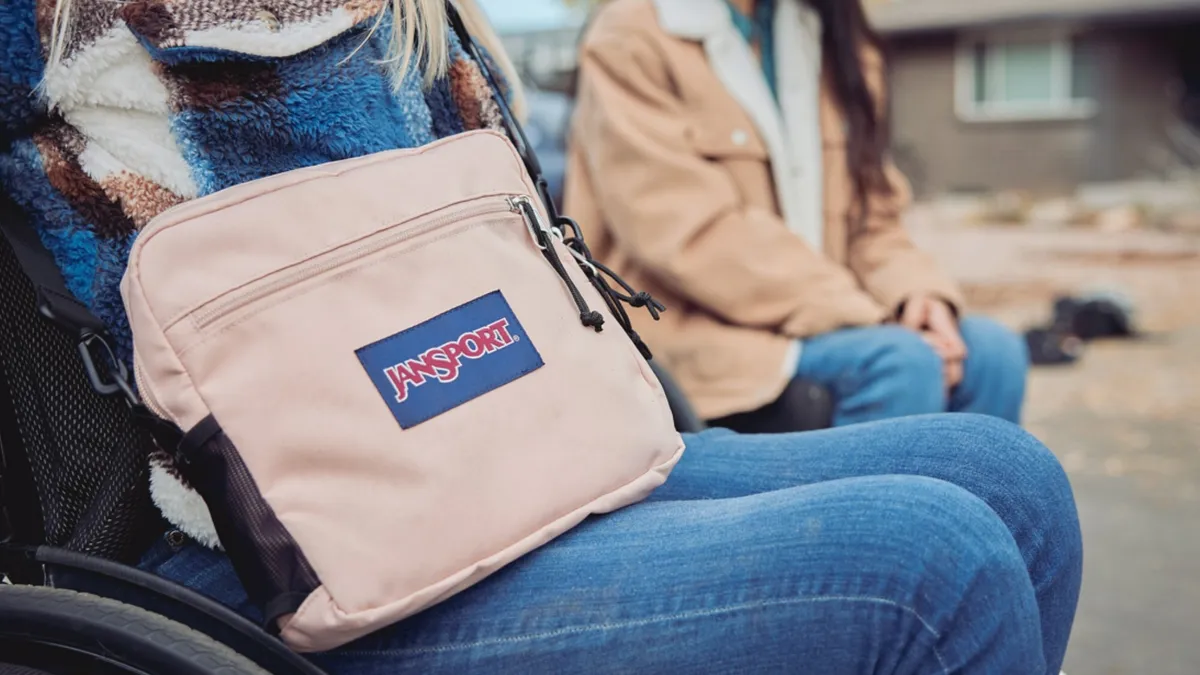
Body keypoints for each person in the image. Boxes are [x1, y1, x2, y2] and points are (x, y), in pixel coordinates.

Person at [1, 1, 1080, 673]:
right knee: (935, 564)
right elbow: (683, 237)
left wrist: (910, 293)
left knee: (1011, 476)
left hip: (523, 430)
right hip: (282, 541)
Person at [565, 0, 1030, 429]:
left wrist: (918, 298)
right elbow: (692, 237)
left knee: (994, 355)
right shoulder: (632, 36)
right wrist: (867, 316)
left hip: (826, 316)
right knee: (900, 362)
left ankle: (953, 519)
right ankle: (883, 519)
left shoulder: (832, 36)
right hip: (701, 333)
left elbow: (874, 220)